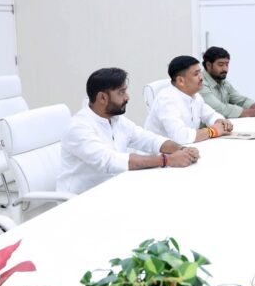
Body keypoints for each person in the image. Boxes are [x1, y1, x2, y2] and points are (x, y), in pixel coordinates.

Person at [59, 67, 199, 194]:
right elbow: (110, 161)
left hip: (115, 187)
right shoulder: (79, 128)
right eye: (121, 92)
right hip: (82, 199)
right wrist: (167, 160)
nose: (127, 97)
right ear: (102, 98)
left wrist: (181, 149)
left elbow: (148, 139)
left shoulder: (116, 119)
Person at [145, 55, 234, 144]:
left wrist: (221, 122)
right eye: (196, 74)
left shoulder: (195, 95)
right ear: (180, 81)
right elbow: (180, 136)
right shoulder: (166, 100)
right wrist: (212, 131)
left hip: (186, 148)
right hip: (161, 151)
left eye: (200, 73)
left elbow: (210, 115)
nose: (201, 78)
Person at [200, 46, 255, 118]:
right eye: (220, 65)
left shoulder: (223, 82)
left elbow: (241, 101)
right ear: (208, 65)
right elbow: (220, 109)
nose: (225, 69)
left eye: (227, 64)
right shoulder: (200, 83)